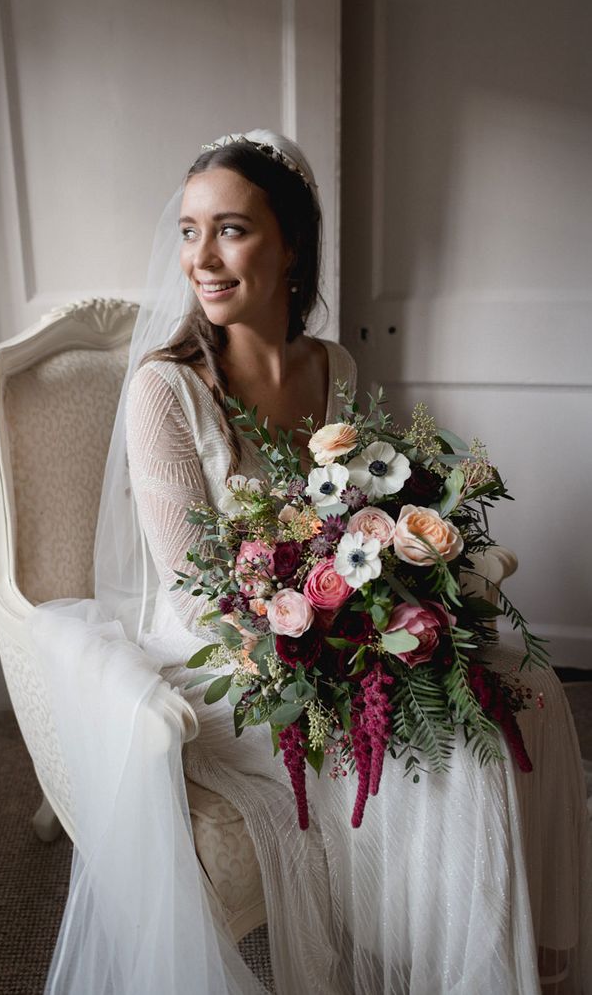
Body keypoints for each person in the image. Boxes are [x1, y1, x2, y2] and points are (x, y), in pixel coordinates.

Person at [35, 131, 590, 994]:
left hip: (339, 621)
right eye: (189, 231)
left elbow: (362, 518)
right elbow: (197, 596)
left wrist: (400, 597)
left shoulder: (335, 366)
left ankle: (542, 958)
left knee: (536, 689)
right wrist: (343, 645)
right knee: (459, 756)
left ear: (291, 244)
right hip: (231, 655)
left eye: (231, 230)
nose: (201, 259)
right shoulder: (164, 390)